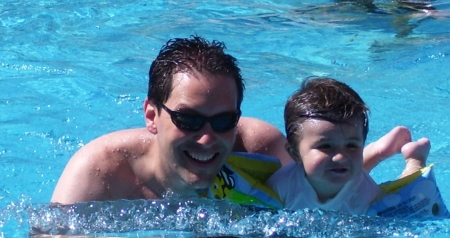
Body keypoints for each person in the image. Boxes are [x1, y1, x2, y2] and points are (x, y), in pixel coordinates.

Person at [51, 36, 417, 205]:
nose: (209, 139)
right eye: (189, 120)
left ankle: (378, 152)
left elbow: (324, 187)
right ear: (152, 115)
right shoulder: (101, 173)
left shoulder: (259, 146)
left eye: (224, 120)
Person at [267, 77, 430, 214]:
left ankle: (415, 157)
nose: (340, 156)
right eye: (325, 146)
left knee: (406, 197)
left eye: (352, 145)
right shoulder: (281, 185)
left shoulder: (366, 195)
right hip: (350, 176)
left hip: (358, 185)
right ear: (294, 153)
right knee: (345, 165)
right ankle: (377, 151)